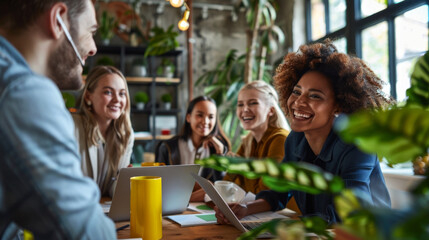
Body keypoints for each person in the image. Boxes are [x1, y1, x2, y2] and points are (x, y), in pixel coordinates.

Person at [215, 40, 392, 225]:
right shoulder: (295, 140)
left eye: (315, 96)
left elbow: (349, 212)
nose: (298, 102)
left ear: (339, 105)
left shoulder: (357, 144)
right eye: (297, 92)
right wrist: (244, 209)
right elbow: (278, 193)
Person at [0, 0, 117, 239]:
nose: (94, 48)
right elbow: (87, 233)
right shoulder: (23, 92)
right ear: (58, 20)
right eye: (91, 32)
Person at [73, 65, 134, 197]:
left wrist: (125, 181)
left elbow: (113, 190)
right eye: (108, 92)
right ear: (88, 97)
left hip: (104, 210)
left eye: (122, 93)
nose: (117, 100)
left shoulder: (126, 134)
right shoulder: (73, 126)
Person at [155, 96, 231, 201]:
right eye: (200, 115)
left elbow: (222, 189)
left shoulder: (220, 147)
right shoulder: (167, 147)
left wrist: (219, 155)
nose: (205, 121)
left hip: (205, 210)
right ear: (188, 117)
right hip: (170, 204)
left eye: (211, 117)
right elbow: (158, 185)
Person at [223, 80, 290, 194]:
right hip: (255, 210)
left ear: (271, 110)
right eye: (240, 104)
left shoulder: (280, 139)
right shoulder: (248, 141)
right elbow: (229, 187)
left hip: (282, 212)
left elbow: (266, 194)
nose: (245, 109)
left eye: (253, 103)